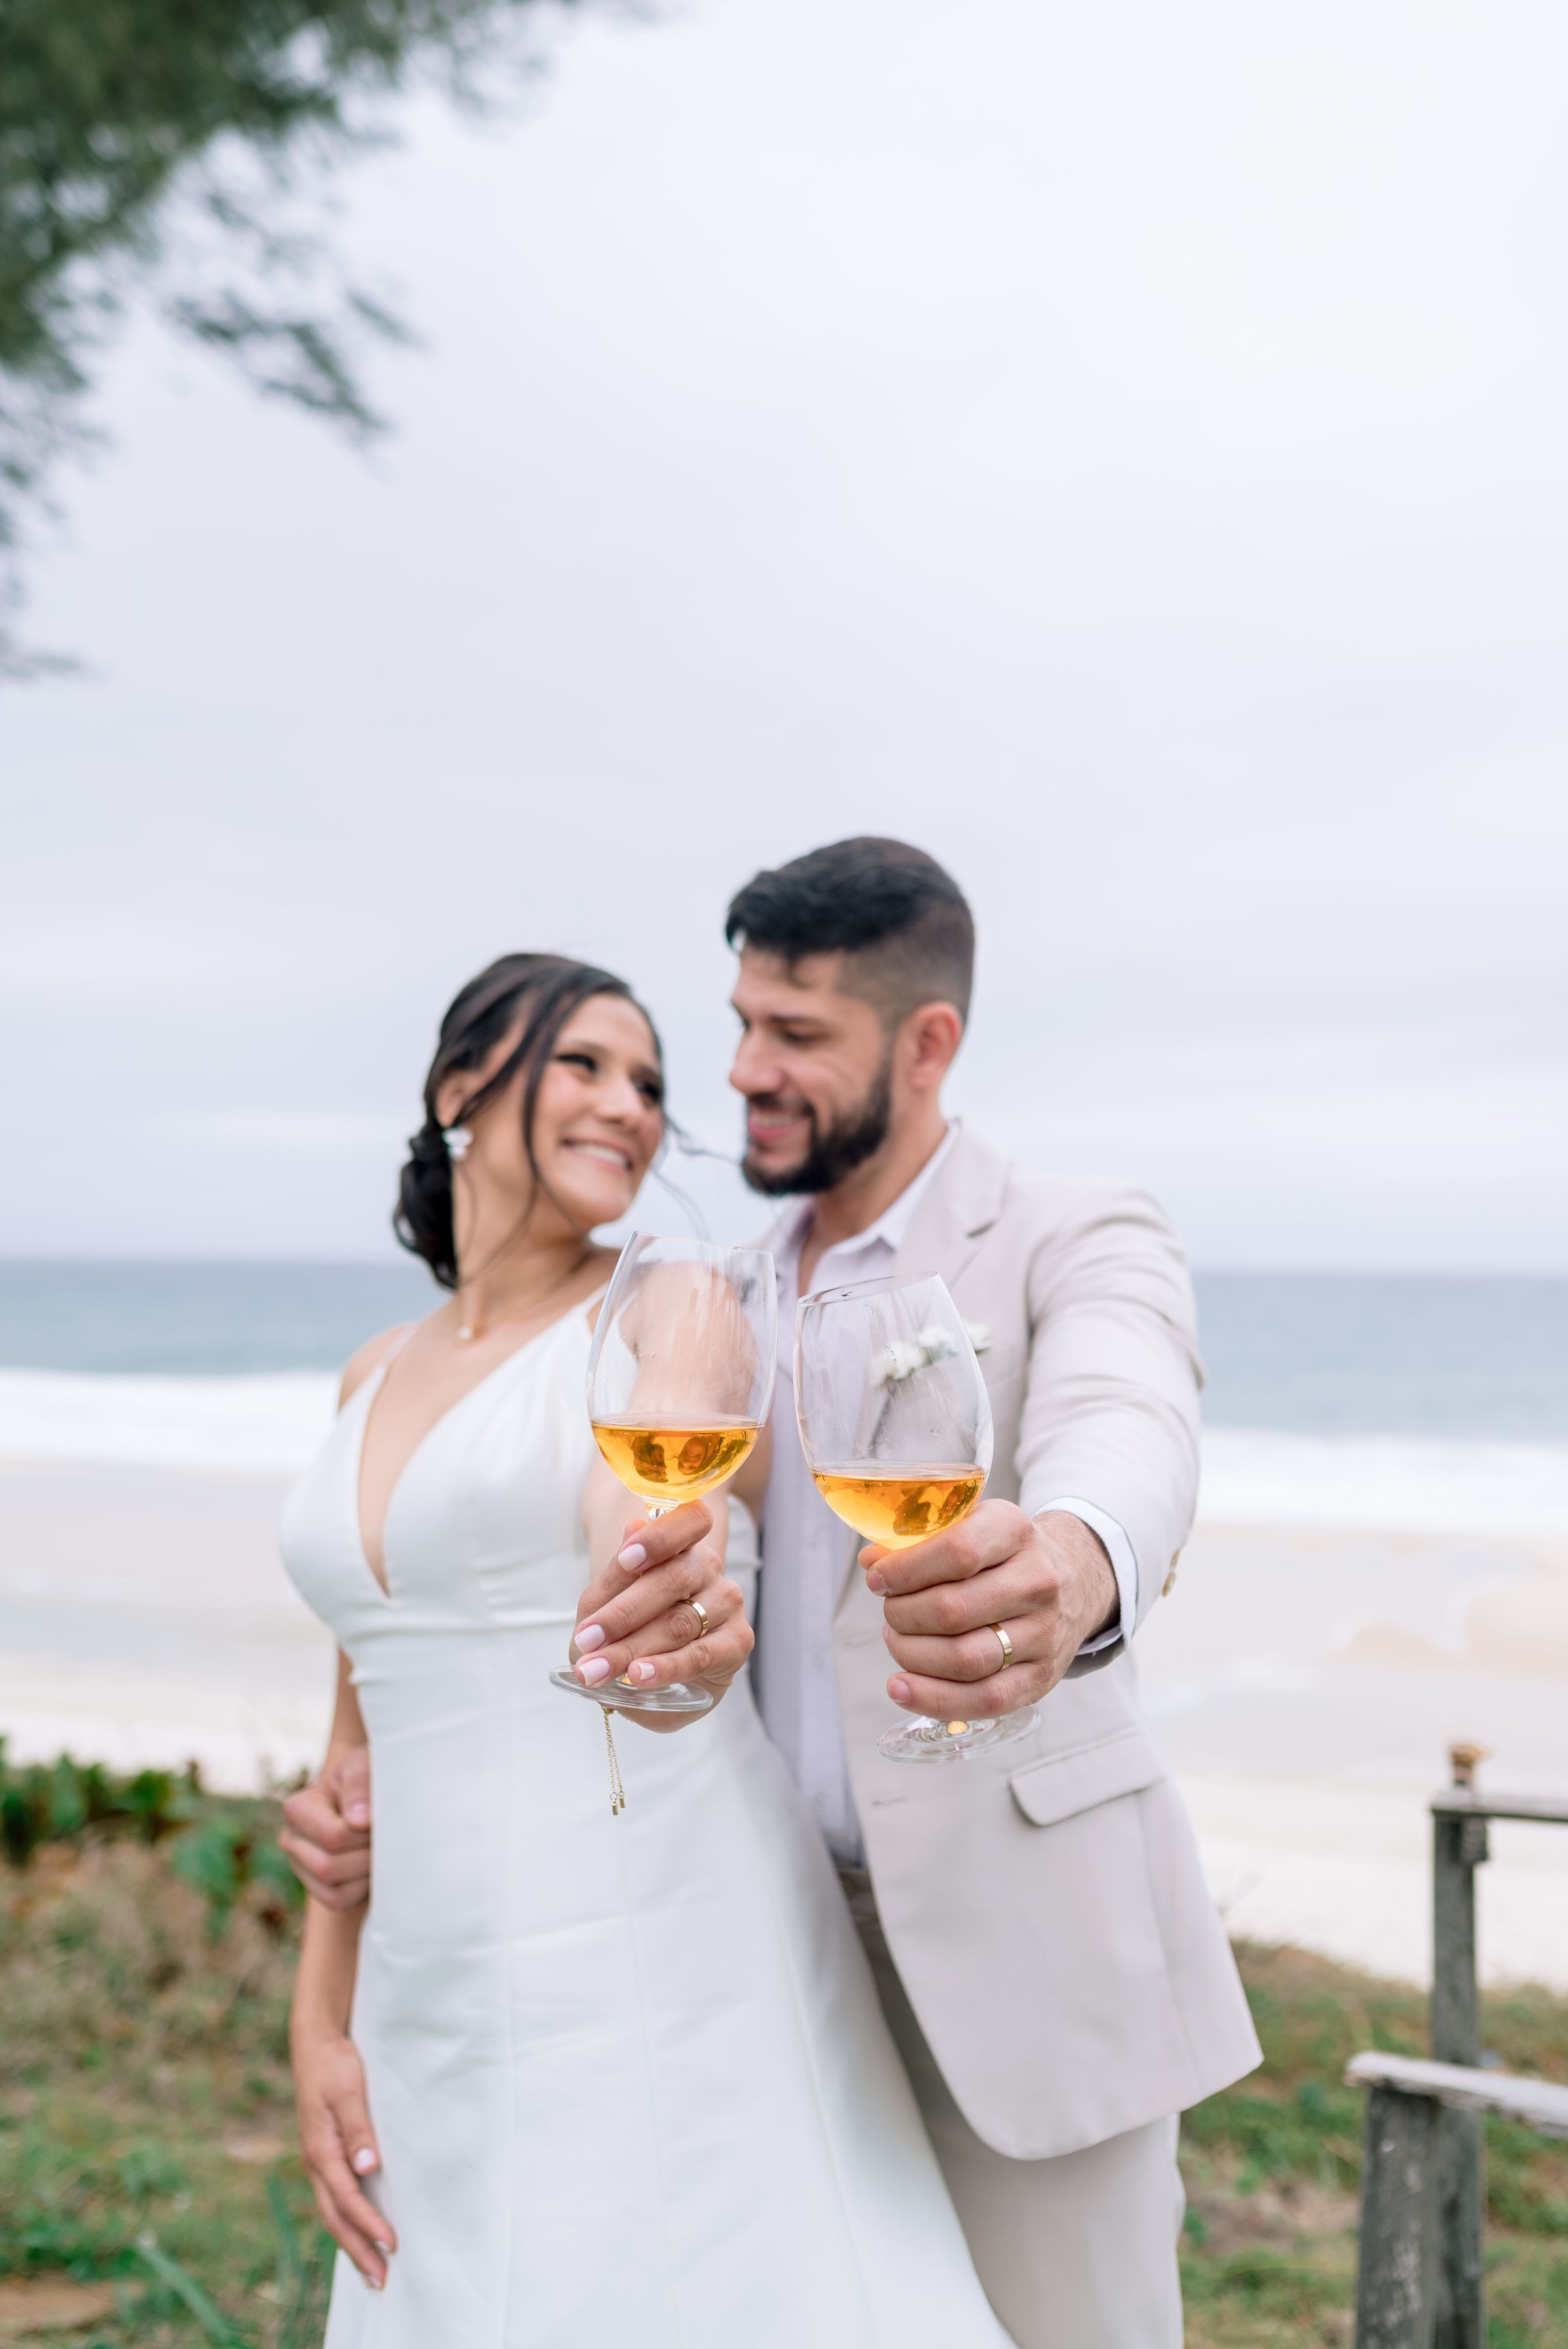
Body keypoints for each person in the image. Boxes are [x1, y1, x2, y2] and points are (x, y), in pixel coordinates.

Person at [284, 850, 1263, 2346]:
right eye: (737, 1027)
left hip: (1009, 1953)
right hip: (741, 1926)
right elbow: (631, 1537)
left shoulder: (1074, 1230)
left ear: (923, 1046)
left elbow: (1130, 1434)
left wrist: (1067, 1564)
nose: (736, 1075)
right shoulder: (700, 1286)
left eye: (792, 1036)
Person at [279, 950, 1013, 2348]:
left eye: (650, 1084)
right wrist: (320, 2023)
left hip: (647, 1924)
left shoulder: (676, 1304)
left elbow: (650, 1496)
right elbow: (350, 1755)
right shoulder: (367, 1374)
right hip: (419, 1976)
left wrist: (672, 1607)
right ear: (459, 1089)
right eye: (584, 1063)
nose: (629, 1104)